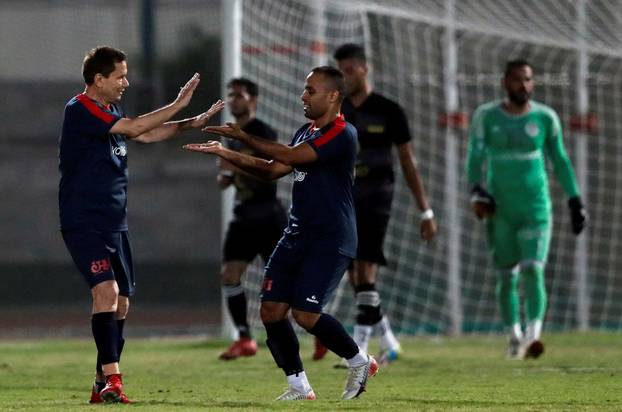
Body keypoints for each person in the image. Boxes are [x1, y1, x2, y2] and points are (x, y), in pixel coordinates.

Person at [184, 66, 378, 400]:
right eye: (304, 89)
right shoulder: (306, 130)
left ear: (333, 95)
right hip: (296, 234)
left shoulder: (342, 133)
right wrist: (224, 151)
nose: (303, 96)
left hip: (330, 238)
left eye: (310, 90)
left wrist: (243, 137)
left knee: (305, 314)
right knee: (271, 311)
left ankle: (360, 361)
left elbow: (289, 156)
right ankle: (299, 387)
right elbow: (274, 169)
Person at [58, 46, 224, 403]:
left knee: (121, 303)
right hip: (84, 220)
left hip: (114, 221)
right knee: (107, 292)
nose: (126, 82)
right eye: (119, 76)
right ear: (98, 79)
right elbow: (135, 127)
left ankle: (100, 383)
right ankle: (114, 382)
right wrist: (179, 103)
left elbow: (143, 134)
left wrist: (187, 124)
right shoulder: (80, 109)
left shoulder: (110, 110)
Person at [316, 43, 437, 365]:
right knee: (356, 275)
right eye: (340, 71)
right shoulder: (335, 112)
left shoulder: (389, 110)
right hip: (343, 199)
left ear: (365, 69)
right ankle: (389, 341)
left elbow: (408, 161)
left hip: (377, 198)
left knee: (365, 267)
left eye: (351, 69)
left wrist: (425, 209)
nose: (346, 76)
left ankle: (357, 350)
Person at [466, 59, 586, 359]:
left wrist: (574, 199)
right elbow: (474, 156)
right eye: (519, 79)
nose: (525, 85)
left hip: (536, 207)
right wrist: (475, 189)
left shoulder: (546, 118)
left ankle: (534, 336)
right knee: (507, 276)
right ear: (505, 82)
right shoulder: (486, 116)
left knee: (534, 269)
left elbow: (559, 160)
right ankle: (514, 337)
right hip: (500, 210)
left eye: (529, 79)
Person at [216, 78, 287, 360]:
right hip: (243, 216)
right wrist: (224, 171)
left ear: (253, 100)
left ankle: (318, 331)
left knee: (284, 283)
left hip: (268, 216)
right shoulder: (229, 136)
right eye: (230, 95)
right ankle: (244, 338)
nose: (234, 100)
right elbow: (224, 181)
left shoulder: (263, 132)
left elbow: (272, 173)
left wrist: (237, 166)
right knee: (229, 275)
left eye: (239, 95)